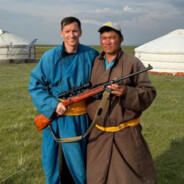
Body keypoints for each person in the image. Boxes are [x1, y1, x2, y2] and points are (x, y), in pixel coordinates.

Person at [28, 17, 98, 184]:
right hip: (55, 117)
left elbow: (100, 83)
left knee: (79, 165)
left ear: (80, 32)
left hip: (80, 119)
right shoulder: (49, 57)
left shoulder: (91, 55)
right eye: (67, 31)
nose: (71, 35)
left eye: (75, 31)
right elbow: (35, 86)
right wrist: (53, 105)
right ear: (61, 33)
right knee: (52, 164)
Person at [86, 22, 157, 184]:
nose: (107, 42)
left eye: (112, 37)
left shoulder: (133, 63)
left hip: (126, 135)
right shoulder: (94, 62)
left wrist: (126, 92)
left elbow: (149, 93)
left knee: (129, 178)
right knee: (96, 177)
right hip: (98, 134)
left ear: (121, 39)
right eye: (103, 38)